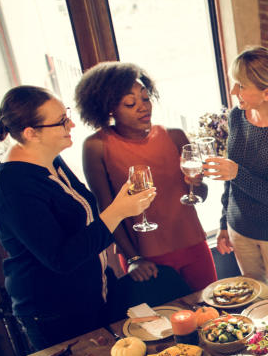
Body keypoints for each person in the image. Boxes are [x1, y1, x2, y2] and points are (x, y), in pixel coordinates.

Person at [0, 86, 155, 350]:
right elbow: (61, 259)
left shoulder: (50, 160)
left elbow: (84, 218)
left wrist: (120, 203)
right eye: (62, 121)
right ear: (31, 133)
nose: (71, 123)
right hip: (55, 312)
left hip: (94, 293)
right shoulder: (12, 187)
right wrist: (118, 211)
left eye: (67, 115)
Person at [76, 62, 217, 292]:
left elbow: (199, 194)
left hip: (193, 245)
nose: (143, 107)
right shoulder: (96, 146)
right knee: (162, 325)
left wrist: (198, 183)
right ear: (109, 109)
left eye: (145, 98)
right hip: (145, 257)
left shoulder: (175, 136)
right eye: (130, 103)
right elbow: (106, 207)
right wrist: (133, 259)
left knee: (212, 315)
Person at [205, 46, 268, 298]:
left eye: (240, 85)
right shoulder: (236, 117)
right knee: (254, 301)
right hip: (240, 229)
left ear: (267, 92)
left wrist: (237, 172)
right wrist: (223, 224)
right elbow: (230, 180)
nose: (233, 92)